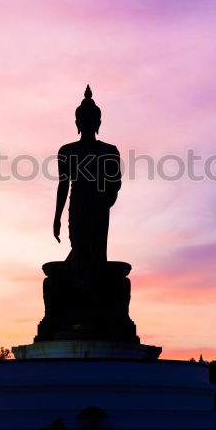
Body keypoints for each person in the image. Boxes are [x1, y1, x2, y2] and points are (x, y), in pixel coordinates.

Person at [53, 85, 122, 289]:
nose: (88, 124)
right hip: (78, 203)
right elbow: (63, 183)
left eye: (92, 121)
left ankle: (88, 292)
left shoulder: (109, 151)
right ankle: (75, 287)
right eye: (84, 120)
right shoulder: (67, 151)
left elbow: (115, 181)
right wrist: (57, 216)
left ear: (98, 123)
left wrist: (105, 200)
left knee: (95, 250)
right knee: (79, 245)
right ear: (77, 123)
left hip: (99, 205)